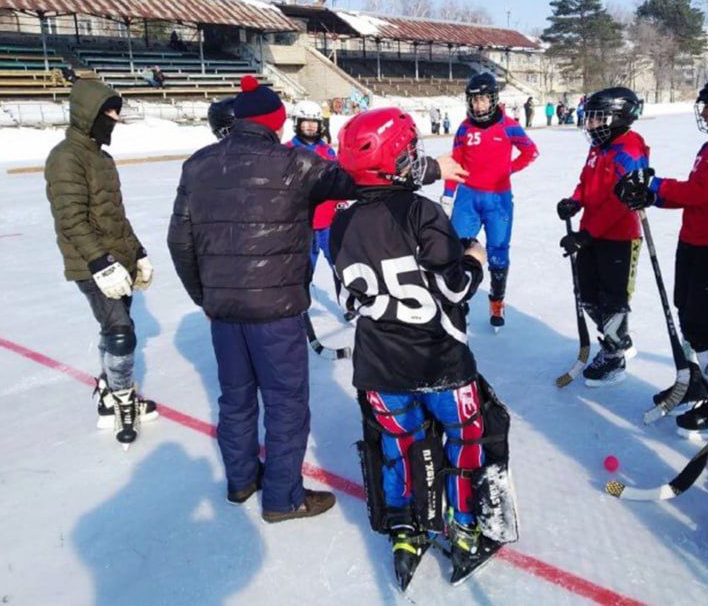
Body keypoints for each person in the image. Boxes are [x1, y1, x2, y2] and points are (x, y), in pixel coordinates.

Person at [167, 76, 466, 524]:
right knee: (285, 402)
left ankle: (241, 480)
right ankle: (283, 498)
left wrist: (208, 296)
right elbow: (363, 177)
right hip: (277, 310)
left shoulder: (198, 166)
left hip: (224, 312)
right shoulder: (294, 163)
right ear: (276, 121)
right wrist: (429, 169)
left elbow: (179, 242)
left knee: (235, 398)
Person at [330, 107, 518, 589]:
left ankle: (404, 529)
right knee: (466, 441)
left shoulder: (341, 222)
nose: (417, 158)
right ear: (393, 161)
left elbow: (350, 301)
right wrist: (473, 258)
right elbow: (453, 289)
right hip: (439, 360)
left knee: (398, 446)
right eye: (410, 152)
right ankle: (464, 529)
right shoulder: (422, 211)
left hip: (379, 364)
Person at [616, 74, 708, 438]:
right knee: (687, 312)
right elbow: (698, 192)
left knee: (703, 327)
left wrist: (655, 189)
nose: (706, 113)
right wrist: (655, 191)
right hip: (694, 242)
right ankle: (695, 381)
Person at [44, 79, 158, 447]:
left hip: (116, 259)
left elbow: (115, 217)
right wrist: (99, 262)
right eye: (109, 112)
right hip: (91, 262)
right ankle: (125, 402)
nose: (114, 120)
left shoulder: (101, 158)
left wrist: (136, 252)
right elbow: (71, 219)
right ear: (88, 113)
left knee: (114, 331)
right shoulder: (66, 158)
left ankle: (109, 394)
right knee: (121, 332)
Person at [557, 88, 648, 386]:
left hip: (620, 236)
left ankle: (614, 356)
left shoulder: (629, 151)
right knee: (587, 294)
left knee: (613, 298)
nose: (589, 125)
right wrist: (575, 200)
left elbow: (622, 205)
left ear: (618, 117)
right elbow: (586, 180)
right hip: (591, 232)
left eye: (596, 118)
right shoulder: (600, 146)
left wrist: (587, 235)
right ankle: (618, 338)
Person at [441, 72, 539, 329]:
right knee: (458, 247)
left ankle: (497, 301)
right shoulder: (464, 127)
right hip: (468, 198)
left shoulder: (508, 125)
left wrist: (509, 169)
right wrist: (448, 194)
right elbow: (456, 163)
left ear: (493, 99)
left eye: (484, 99)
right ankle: (459, 301)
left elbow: (530, 151)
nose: (479, 105)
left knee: (498, 251)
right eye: (474, 100)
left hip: (499, 199)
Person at [286, 100, 340, 283]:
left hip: (327, 223)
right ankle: (300, 308)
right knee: (301, 271)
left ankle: (349, 305)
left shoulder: (327, 151)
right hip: (301, 224)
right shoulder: (286, 151)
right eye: (305, 121)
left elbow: (338, 181)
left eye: (314, 122)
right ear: (297, 122)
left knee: (340, 266)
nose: (310, 126)